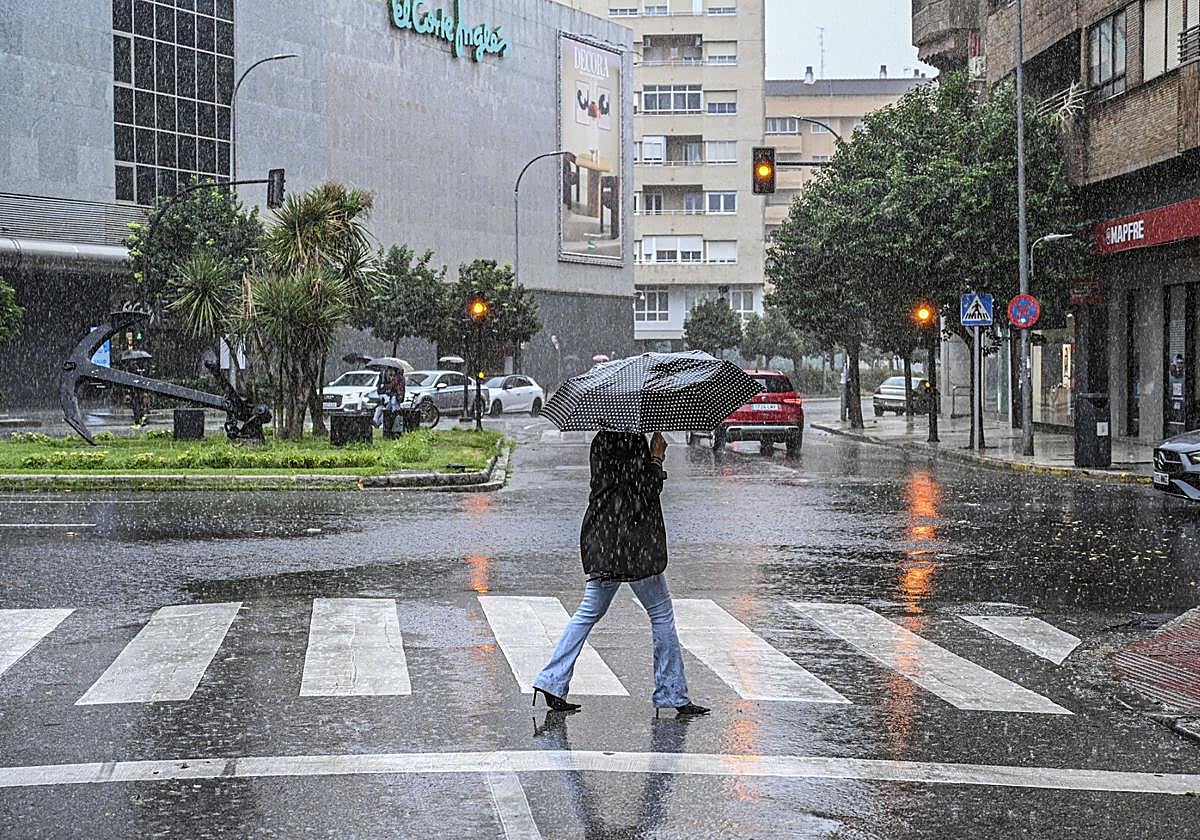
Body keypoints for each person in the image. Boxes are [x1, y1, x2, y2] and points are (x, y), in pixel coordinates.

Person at [532, 431, 709, 718]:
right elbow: (643, 492)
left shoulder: (601, 441)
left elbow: (614, 489)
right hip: (633, 544)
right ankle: (672, 692)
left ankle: (550, 680)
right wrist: (656, 458)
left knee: (588, 612)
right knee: (661, 614)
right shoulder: (632, 441)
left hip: (603, 540)